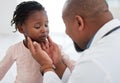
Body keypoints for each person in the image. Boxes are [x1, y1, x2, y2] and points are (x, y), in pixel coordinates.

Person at [28, 0, 120, 83]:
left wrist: (46, 66)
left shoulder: (93, 61)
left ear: (79, 22)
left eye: (66, 24)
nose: (66, 32)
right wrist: (59, 65)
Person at [0, 1, 74, 83]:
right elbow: (1, 70)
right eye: (37, 26)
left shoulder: (55, 48)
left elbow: (73, 66)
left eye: (46, 25)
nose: (44, 30)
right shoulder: (15, 49)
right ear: (21, 29)